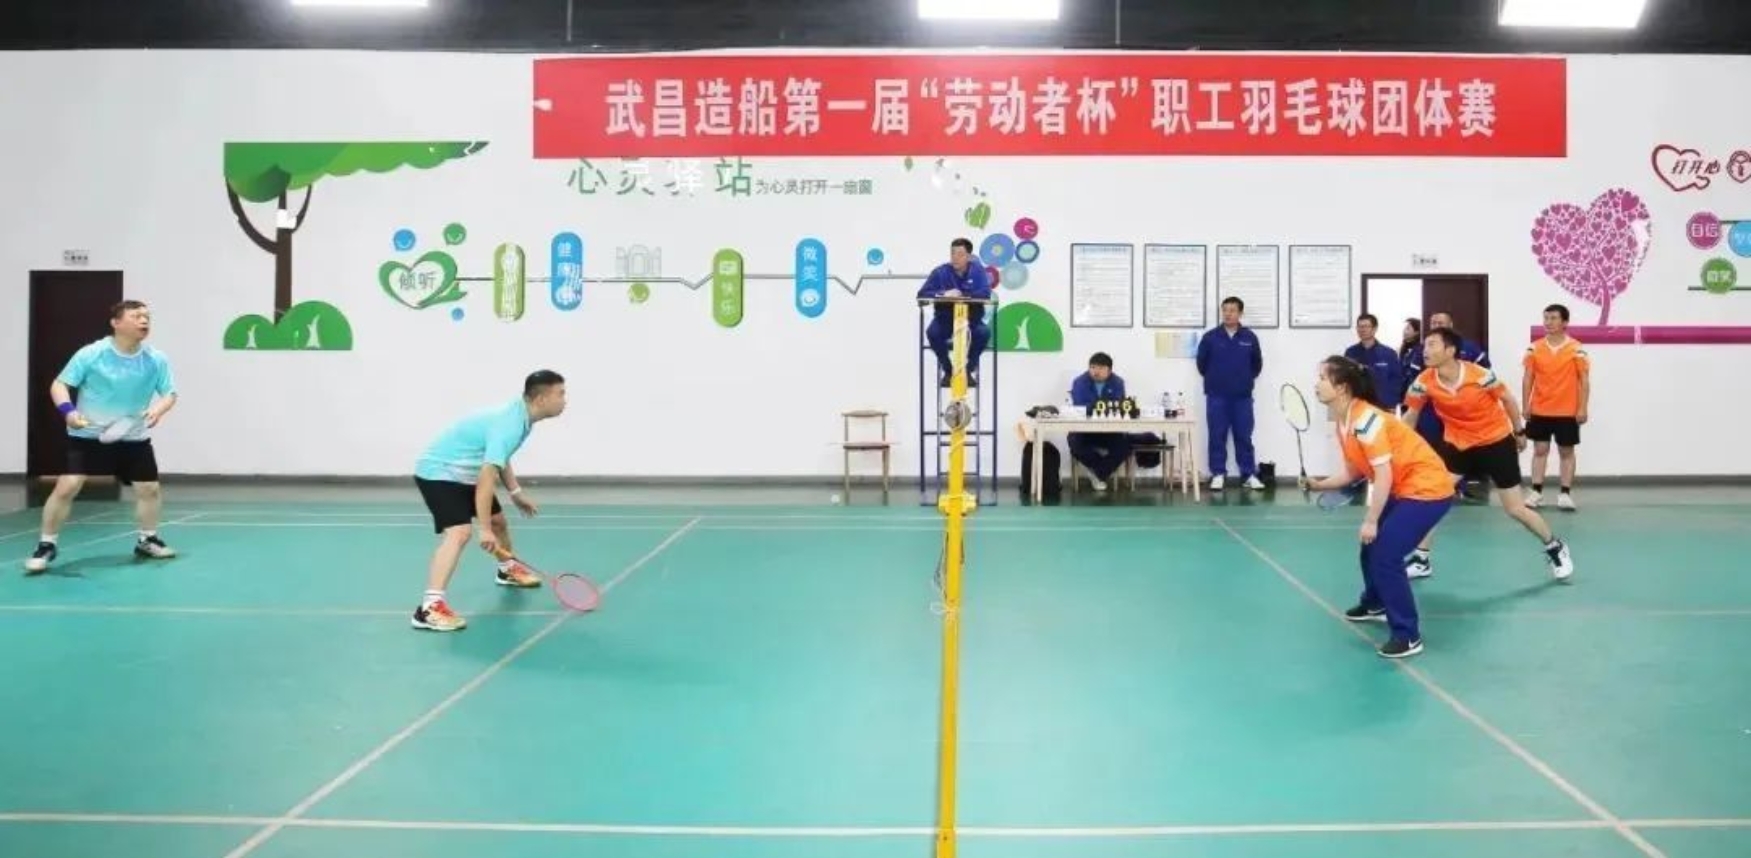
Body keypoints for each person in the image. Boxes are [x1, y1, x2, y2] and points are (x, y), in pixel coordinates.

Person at [1306, 355, 1456, 659]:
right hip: (1404, 488)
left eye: (1322, 378)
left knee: (1386, 553)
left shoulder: (1367, 421)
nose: (1316, 384)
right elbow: (1353, 471)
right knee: (1370, 547)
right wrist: (1319, 485)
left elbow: (1383, 474)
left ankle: (1408, 634)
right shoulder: (1345, 420)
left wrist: (1372, 519)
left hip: (1428, 489)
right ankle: (1375, 603)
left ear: (1342, 387)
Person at [1401, 328, 1574, 581]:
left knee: (1515, 509)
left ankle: (1555, 546)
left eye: (1432, 345)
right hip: (1458, 444)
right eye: (1425, 345)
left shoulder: (1479, 376)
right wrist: (1400, 448)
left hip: (1495, 441)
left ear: (1450, 351)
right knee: (1433, 498)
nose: (1425, 350)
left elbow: (1508, 400)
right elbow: (1411, 415)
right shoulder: (1423, 381)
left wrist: (1519, 431)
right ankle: (1421, 558)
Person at [25, 300, 179, 574]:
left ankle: (148, 539)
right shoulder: (92, 353)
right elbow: (59, 384)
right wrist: (68, 412)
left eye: (146, 316)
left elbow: (170, 393)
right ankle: (46, 545)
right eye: (136, 316)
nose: (144, 321)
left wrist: (159, 410)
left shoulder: (156, 359)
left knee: (149, 488)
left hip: (133, 436)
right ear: (116, 323)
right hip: (87, 435)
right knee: (68, 486)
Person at [409, 370, 568, 632]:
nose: (564, 400)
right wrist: (483, 530)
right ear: (541, 399)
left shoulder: (523, 417)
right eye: (560, 394)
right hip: (439, 472)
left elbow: (500, 456)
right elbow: (486, 479)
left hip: (466, 472)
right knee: (460, 533)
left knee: (498, 522)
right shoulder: (510, 424)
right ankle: (429, 608)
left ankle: (507, 570)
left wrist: (515, 493)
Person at [1522, 303, 1589, 510]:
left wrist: (1582, 408)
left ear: (1564, 322)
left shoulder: (1576, 348)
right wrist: (1526, 405)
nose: (1548, 322)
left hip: (1567, 411)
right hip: (1540, 409)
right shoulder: (1534, 348)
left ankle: (1565, 494)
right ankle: (1536, 492)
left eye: (1553, 318)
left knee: (1566, 451)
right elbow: (1528, 378)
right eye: (1546, 318)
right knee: (1540, 449)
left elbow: (1584, 380)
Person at [1195, 296, 1264, 491]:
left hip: (1242, 397)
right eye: (1225, 310)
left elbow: (1257, 365)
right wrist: (1217, 379)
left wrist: (1243, 380)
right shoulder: (1210, 337)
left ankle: (1248, 474)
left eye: (1232, 310)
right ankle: (1218, 474)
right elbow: (1201, 364)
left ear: (1240, 313)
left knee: (1244, 436)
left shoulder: (1249, 337)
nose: (1228, 314)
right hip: (1217, 396)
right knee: (1217, 436)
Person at [916, 238, 993, 387]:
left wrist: (963, 295)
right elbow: (922, 294)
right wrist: (943, 294)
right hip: (945, 319)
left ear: (969, 257)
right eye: (952, 253)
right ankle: (949, 370)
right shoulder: (940, 272)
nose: (955, 258)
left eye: (960, 254)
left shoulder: (978, 271)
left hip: (971, 320)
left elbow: (985, 294)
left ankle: (967, 371)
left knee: (983, 333)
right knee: (933, 333)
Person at [1066, 352, 1132, 491]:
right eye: (1093, 367)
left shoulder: (1118, 382)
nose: (1096, 371)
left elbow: (1118, 406)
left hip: (1110, 431)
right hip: (1084, 431)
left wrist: (1100, 406)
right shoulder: (1079, 382)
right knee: (1074, 442)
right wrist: (1102, 405)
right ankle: (1102, 471)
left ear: (1109, 370)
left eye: (1101, 368)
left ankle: (1097, 472)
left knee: (1126, 444)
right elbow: (1081, 407)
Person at [1343, 313, 1404, 411]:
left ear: (1375, 329)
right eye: (1359, 327)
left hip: (1383, 406)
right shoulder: (1350, 352)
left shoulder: (1389, 353)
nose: (1362, 330)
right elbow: (1346, 379)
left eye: (1366, 326)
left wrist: (1392, 405)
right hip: (1358, 406)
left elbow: (1396, 381)